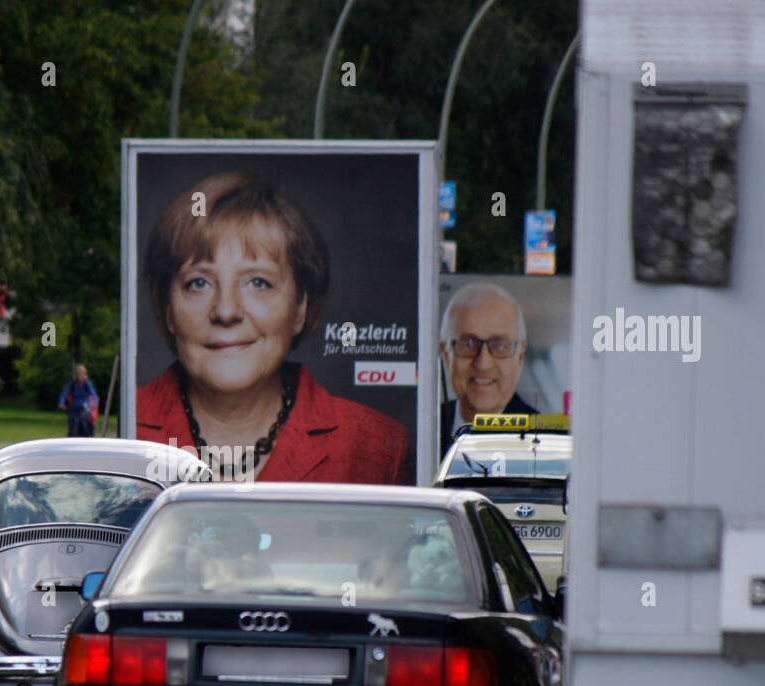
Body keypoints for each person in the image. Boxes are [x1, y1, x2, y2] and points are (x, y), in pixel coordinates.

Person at [136, 172, 414, 485]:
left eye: (258, 283)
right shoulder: (122, 434)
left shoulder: (379, 448)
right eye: (198, 283)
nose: (226, 311)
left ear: (299, 308)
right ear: (168, 309)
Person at [438, 281, 538, 457]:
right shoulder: (423, 430)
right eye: (468, 344)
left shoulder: (543, 438)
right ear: (446, 354)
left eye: (500, 346)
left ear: (520, 357)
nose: (483, 363)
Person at [58, 364, 98, 437]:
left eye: (80, 373)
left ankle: (86, 436)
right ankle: (71, 436)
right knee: (71, 420)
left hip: (85, 408)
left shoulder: (87, 383)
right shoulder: (72, 384)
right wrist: (61, 402)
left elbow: (93, 394)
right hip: (74, 407)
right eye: (77, 374)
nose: (78, 376)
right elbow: (64, 394)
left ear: (83, 374)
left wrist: (95, 404)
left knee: (81, 419)